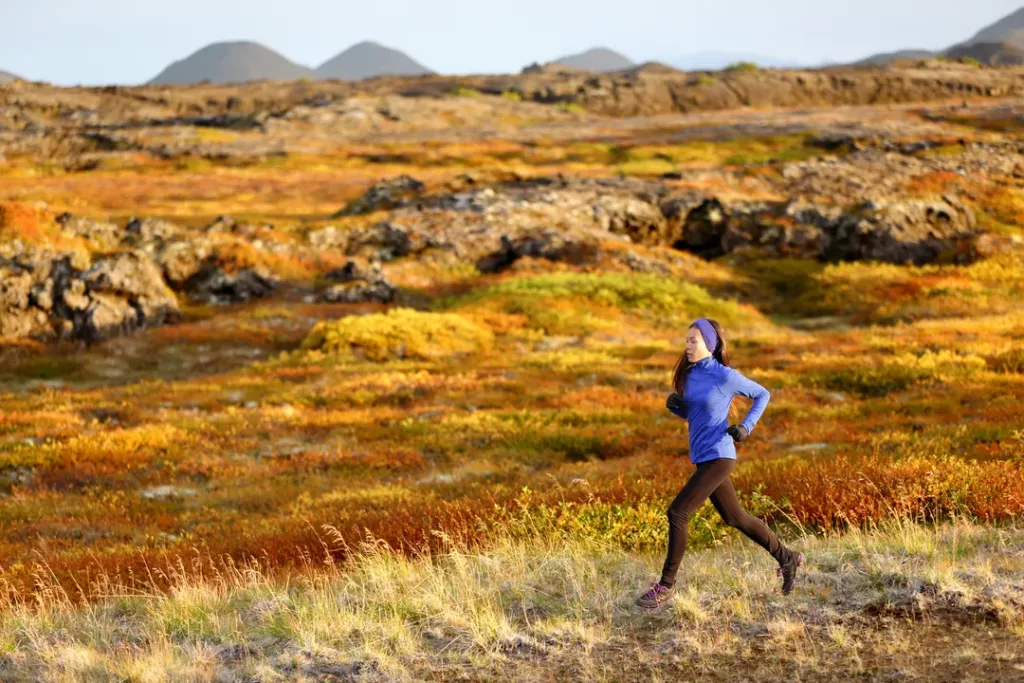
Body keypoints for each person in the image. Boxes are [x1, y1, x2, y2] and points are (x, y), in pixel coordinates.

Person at [636, 317, 803, 609]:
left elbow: (762, 394)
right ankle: (787, 557)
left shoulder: (726, 375)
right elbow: (701, 414)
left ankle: (666, 586)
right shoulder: (690, 375)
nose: (687, 346)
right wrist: (681, 410)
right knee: (735, 517)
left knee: (677, 512)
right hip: (703, 457)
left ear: (709, 346)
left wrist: (746, 427)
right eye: (686, 340)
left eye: (693, 341)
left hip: (720, 455)